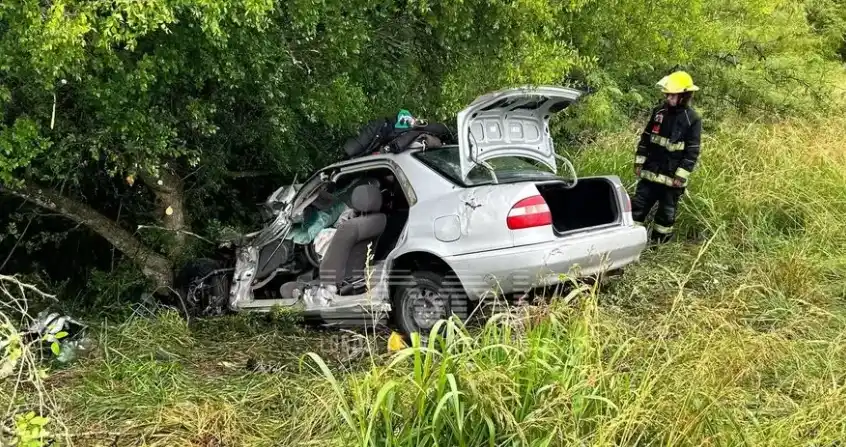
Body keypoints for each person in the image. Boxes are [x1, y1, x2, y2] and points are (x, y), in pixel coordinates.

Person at [632, 70, 702, 244]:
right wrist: (639, 162)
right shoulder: (659, 112)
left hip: (672, 181)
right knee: (637, 209)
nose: (668, 98)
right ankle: (631, 244)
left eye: (672, 95)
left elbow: (692, 151)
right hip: (649, 174)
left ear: (684, 96)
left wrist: (681, 176)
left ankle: (658, 247)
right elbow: (645, 138)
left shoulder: (692, 119)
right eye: (667, 94)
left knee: (666, 216)